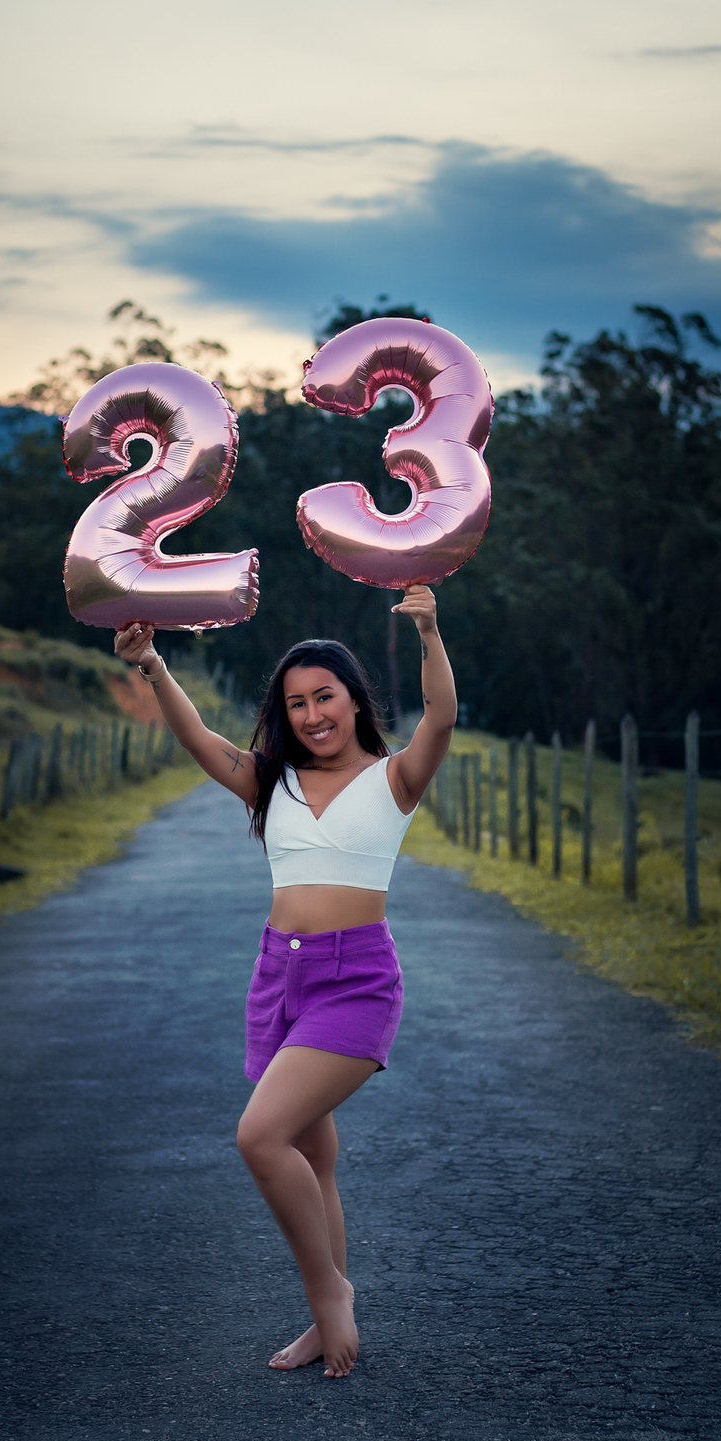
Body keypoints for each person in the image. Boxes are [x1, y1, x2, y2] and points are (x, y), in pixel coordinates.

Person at [113, 585, 455, 1378]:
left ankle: (330, 1292)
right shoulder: (273, 781)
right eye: (295, 703)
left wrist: (431, 630)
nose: (311, 715)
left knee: (258, 1136)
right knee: (311, 1154)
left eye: (325, 697)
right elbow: (201, 740)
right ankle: (323, 1312)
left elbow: (441, 715)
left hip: (356, 981)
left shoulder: (396, 778)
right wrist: (152, 664)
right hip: (279, 977)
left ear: (353, 700)